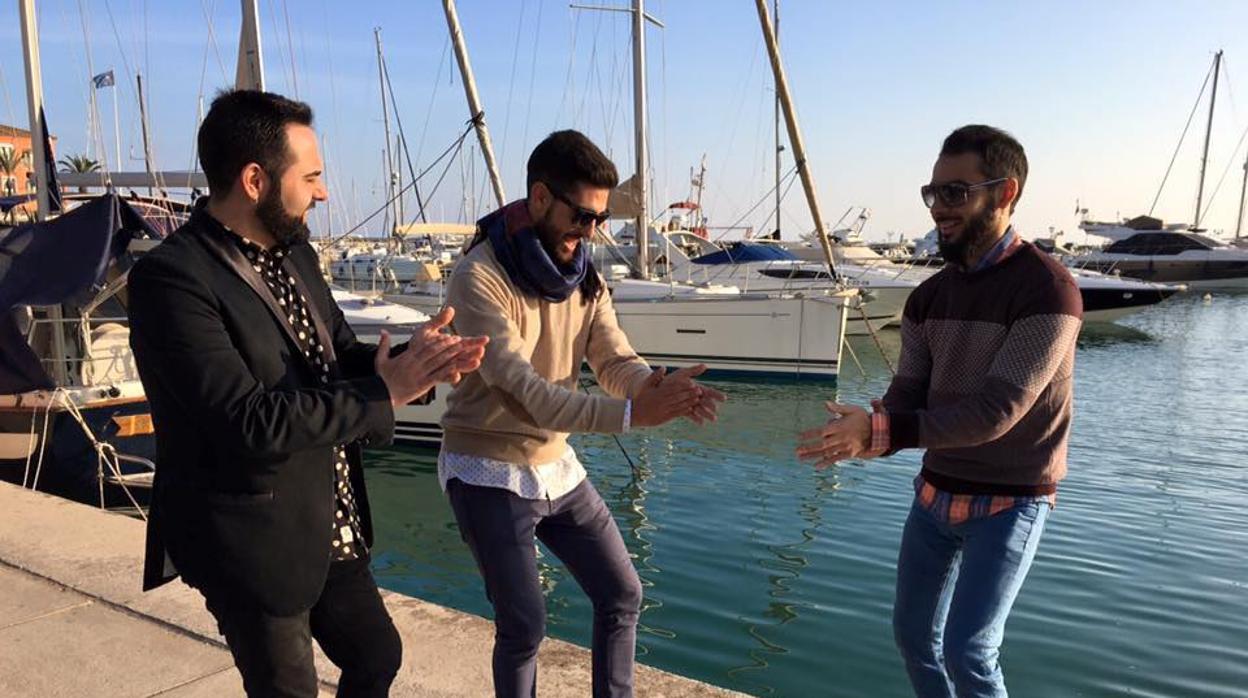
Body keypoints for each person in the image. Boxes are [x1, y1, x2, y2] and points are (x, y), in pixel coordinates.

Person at [128, 89, 487, 698]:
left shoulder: (295, 252)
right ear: (253, 179)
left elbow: (338, 357)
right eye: (312, 176)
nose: (323, 193)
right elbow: (246, 422)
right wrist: (384, 392)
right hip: (248, 538)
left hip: (326, 517)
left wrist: (414, 364)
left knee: (377, 655)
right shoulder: (171, 279)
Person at [797, 125, 1082, 697]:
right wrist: (866, 426)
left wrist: (883, 431)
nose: (939, 209)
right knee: (912, 637)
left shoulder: (1048, 291)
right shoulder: (928, 297)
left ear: (1006, 193)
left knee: (968, 650)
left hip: (1012, 499)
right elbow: (909, 392)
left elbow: (997, 412)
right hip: (935, 494)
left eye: (956, 193)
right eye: (932, 194)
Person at [440, 129, 725, 698]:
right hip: (486, 467)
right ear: (540, 198)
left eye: (600, 219)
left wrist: (652, 387)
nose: (591, 231)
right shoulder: (479, 278)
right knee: (524, 625)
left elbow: (612, 354)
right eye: (583, 215)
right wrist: (630, 416)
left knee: (623, 594)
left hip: (554, 467)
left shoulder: (583, 277)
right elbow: (526, 391)